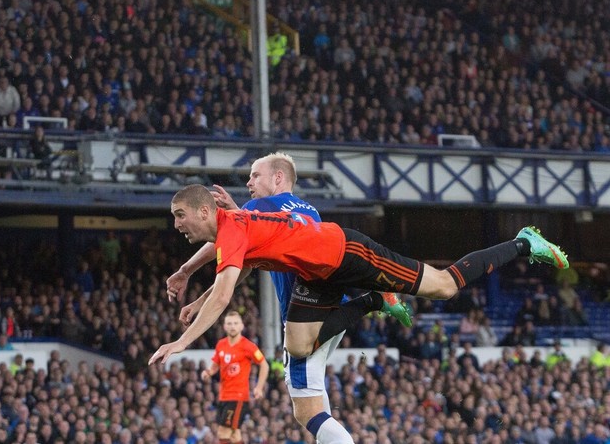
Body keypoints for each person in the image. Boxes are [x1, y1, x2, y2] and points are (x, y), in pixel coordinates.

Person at [150, 183, 568, 365]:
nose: (176, 224)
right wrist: (195, 292)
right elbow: (238, 272)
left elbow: (225, 293)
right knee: (297, 348)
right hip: (318, 274)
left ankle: (524, 242)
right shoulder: (232, 228)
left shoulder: (233, 226)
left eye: (179, 215)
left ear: (204, 210)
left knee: (442, 287)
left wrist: (182, 342)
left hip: (348, 253)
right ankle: (374, 299)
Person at [165, 153, 409, 443]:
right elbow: (245, 259)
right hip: (332, 308)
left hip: (304, 317)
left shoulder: (261, 206)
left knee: (306, 409)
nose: (249, 181)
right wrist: (199, 299)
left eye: (256, 175)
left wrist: (186, 270)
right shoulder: (309, 209)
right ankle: (373, 300)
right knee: (314, 398)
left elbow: (228, 238)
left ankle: (375, 300)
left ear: (278, 178)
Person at [201, 311, 267, 444]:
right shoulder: (221, 344)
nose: (232, 326)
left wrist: (259, 388)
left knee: (223, 431)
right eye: (229, 323)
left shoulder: (248, 346)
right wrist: (208, 372)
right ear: (224, 326)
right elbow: (215, 365)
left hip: (238, 396)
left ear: (241, 326)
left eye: (236, 323)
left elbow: (264, 365)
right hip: (223, 395)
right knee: (234, 435)